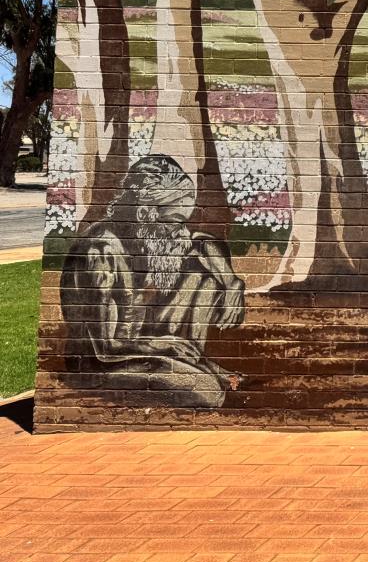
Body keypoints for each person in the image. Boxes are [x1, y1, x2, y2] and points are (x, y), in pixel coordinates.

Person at [62, 154, 245, 409]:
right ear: (146, 214)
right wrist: (164, 345)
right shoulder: (100, 253)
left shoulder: (143, 234)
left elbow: (202, 242)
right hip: (105, 364)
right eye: (176, 223)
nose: (182, 233)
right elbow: (105, 347)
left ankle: (196, 364)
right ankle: (196, 370)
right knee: (209, 393)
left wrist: (233, 284)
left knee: (205, 281)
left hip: (141, 347)